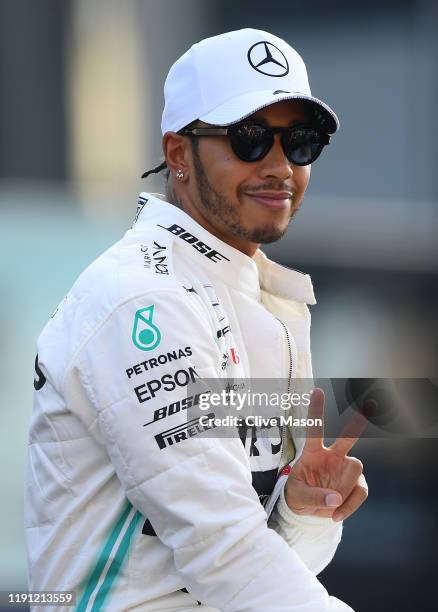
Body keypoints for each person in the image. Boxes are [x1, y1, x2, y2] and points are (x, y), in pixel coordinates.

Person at [26, 28, 368, 611]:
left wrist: (302, 514)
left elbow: (253, 567)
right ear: (179, 155)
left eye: (301, 142)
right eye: (251, 139)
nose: (281, 167)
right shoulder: (144, 299)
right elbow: (226, 557)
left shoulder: (259, 295)